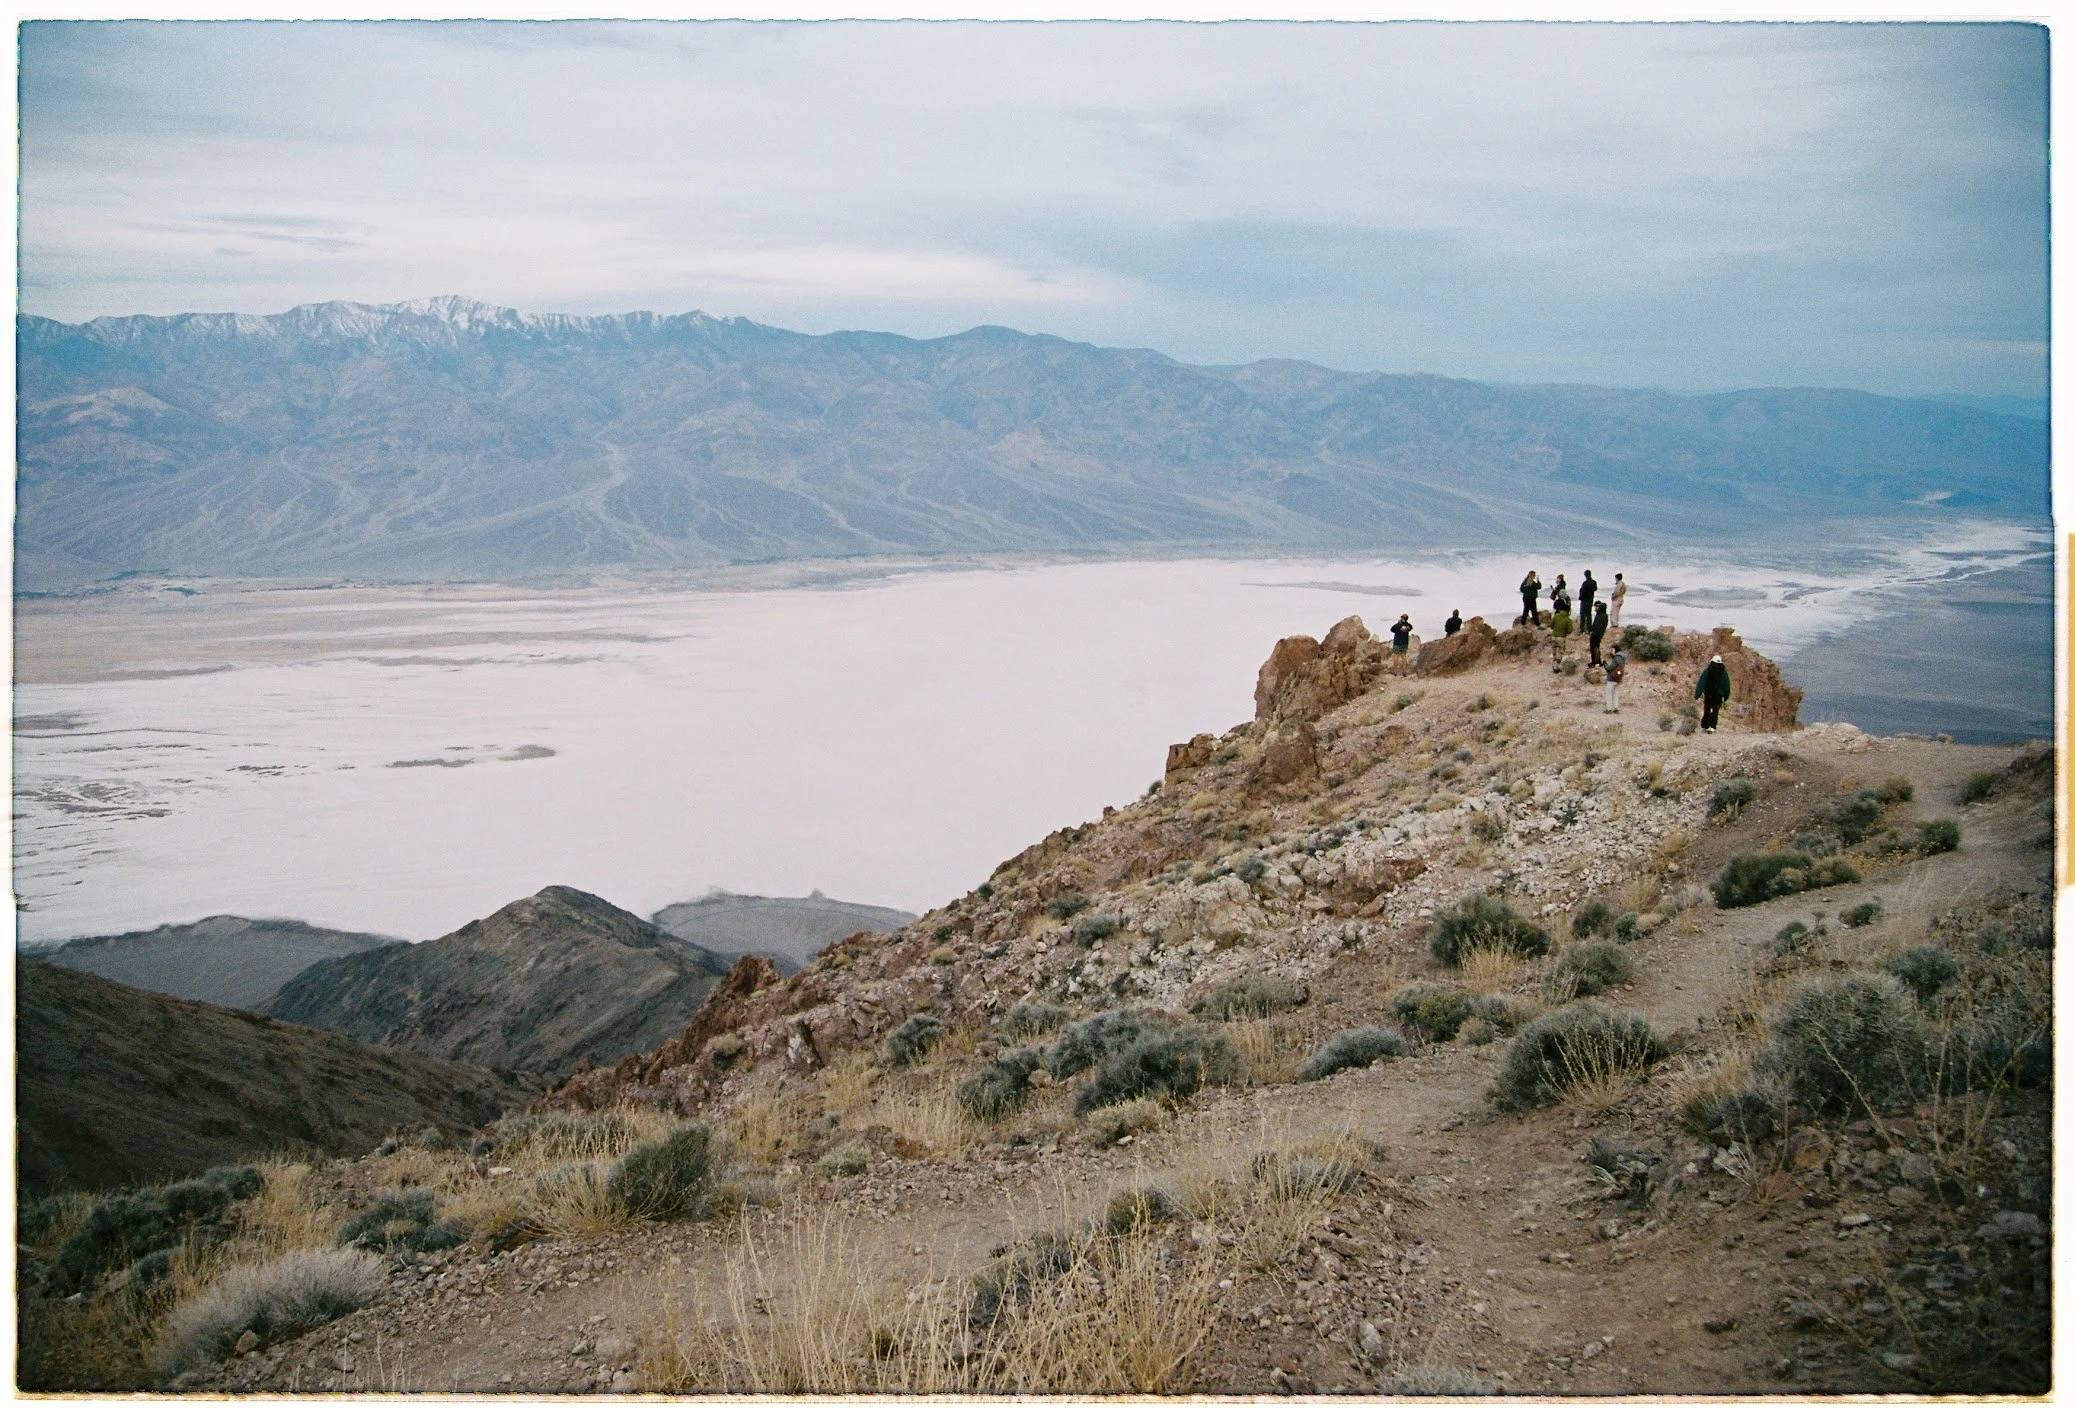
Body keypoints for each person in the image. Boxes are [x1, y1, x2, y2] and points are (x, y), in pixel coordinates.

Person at [1695, 654, 1732, 732]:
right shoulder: (1724, 673)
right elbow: (1727, 686)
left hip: (1708, 694)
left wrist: (1697, 695)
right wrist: (1726, 696)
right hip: (1718, 696)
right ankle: (1712, 727)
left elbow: (1702, 683)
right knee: (1715, 711)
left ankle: (1705, 726)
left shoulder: (1707, 671)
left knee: (1707, 710)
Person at [1604, 646, 1627, 713]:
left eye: (1612, 650)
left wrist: (1605, 665)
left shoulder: (1616, 657)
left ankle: (1609, 709)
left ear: (1616, 650)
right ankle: (1616, 708)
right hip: (1618, 678)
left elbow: (1610, 667)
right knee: (1615, 693)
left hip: (1612, 678)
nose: (1611, 651)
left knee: (1609, 693)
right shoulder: (1622, 658)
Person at [1588, 600, 1609, 666]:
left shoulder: (1599, 616)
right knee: (1596, 647)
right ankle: (1596, 661)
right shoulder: (1604, 615)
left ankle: (1596, 662)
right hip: (1600, 634)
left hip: (1596, 634)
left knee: (1594, 647)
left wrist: (1592, 631)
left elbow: (1596, 626)